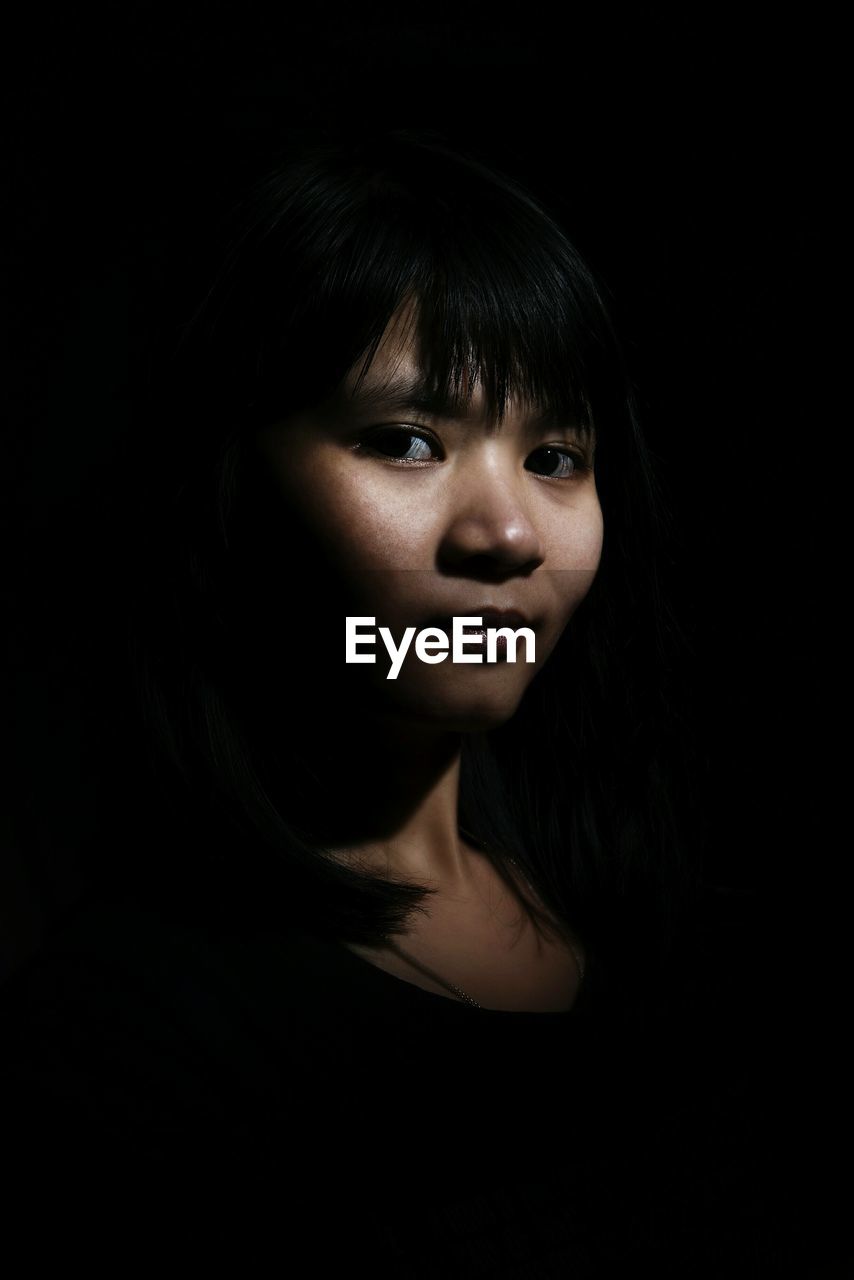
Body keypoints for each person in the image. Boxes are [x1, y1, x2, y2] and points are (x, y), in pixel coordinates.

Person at [1, 130, 786, 1272]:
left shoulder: (648, 908)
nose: (509, 533)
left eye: (556, 456)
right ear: (226, 486)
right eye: (407, 440)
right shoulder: (120, 1054)